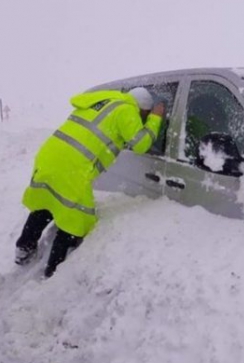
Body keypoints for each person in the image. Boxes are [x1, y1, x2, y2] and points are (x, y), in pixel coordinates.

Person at [15, 87, 165, 277]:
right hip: (73, 168)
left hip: (50, 157)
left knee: (48, 200)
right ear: (142, 108)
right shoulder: (127, 110)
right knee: (77, 219)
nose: (142, 119)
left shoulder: (102, 102)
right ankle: (54, 272)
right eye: (144, 114)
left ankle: (23, 248)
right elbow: (141, 144)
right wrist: (156, 119)